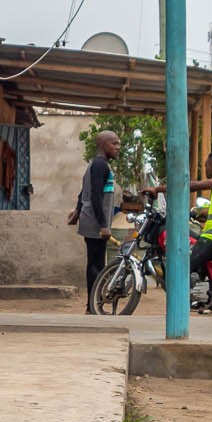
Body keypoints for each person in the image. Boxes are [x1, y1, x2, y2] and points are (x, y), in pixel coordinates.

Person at [150, 149, 212, 279]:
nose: (205, 169)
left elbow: (194, 186)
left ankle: (184, 297)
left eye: (206, 166)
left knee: (181, 269)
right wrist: (200, 213)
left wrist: (159, 189)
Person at [67, 130, 120, 313]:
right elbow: (96, 196)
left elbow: (84, 191)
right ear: (104, 144)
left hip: (92, 218)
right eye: (114, 143)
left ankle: (93, 305)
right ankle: (92, 306)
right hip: (96, 222)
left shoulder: (97, 165)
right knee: (96, 264)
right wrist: (104, 225)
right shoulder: (99, 165)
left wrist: (77, 211)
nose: (117, 148)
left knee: (97, 264)